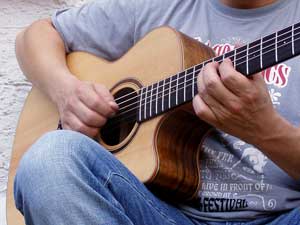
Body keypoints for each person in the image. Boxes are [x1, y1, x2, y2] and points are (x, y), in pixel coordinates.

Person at [13, 0, 300, 224]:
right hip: (152, 213)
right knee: (49, 157)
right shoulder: (155, 6)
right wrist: (65, 91)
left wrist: (265, 131)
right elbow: (34, 37)